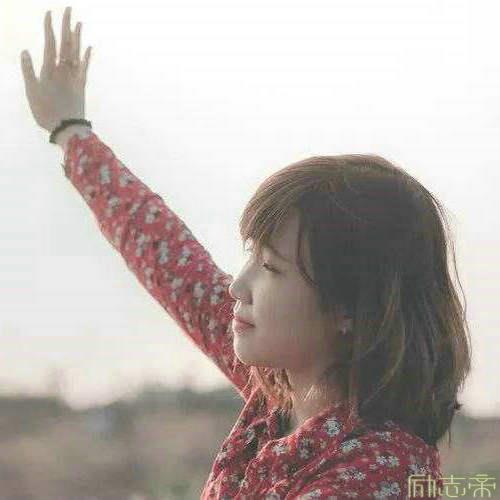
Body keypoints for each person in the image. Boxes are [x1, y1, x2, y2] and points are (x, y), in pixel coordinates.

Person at [21, 7, 472, 499]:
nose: (238, 286)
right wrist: (71, 130)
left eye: (271, 268)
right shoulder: (279, 391)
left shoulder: (375, 475)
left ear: (349, 306)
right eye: (251, 256)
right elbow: (168, 255)